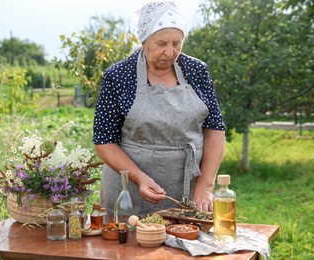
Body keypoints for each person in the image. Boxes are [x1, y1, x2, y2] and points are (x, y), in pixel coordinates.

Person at [93, 1, 225, 217]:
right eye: (161, 43)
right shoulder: (118, 76)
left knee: (188, 244)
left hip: (189, 189)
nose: (170, 52)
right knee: (131, 245)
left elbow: (215, 130)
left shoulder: (196, 70)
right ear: (143, 40)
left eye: (177, 43)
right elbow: (104, 142)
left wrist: (205, 187)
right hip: (131, 191)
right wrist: (140, 178)